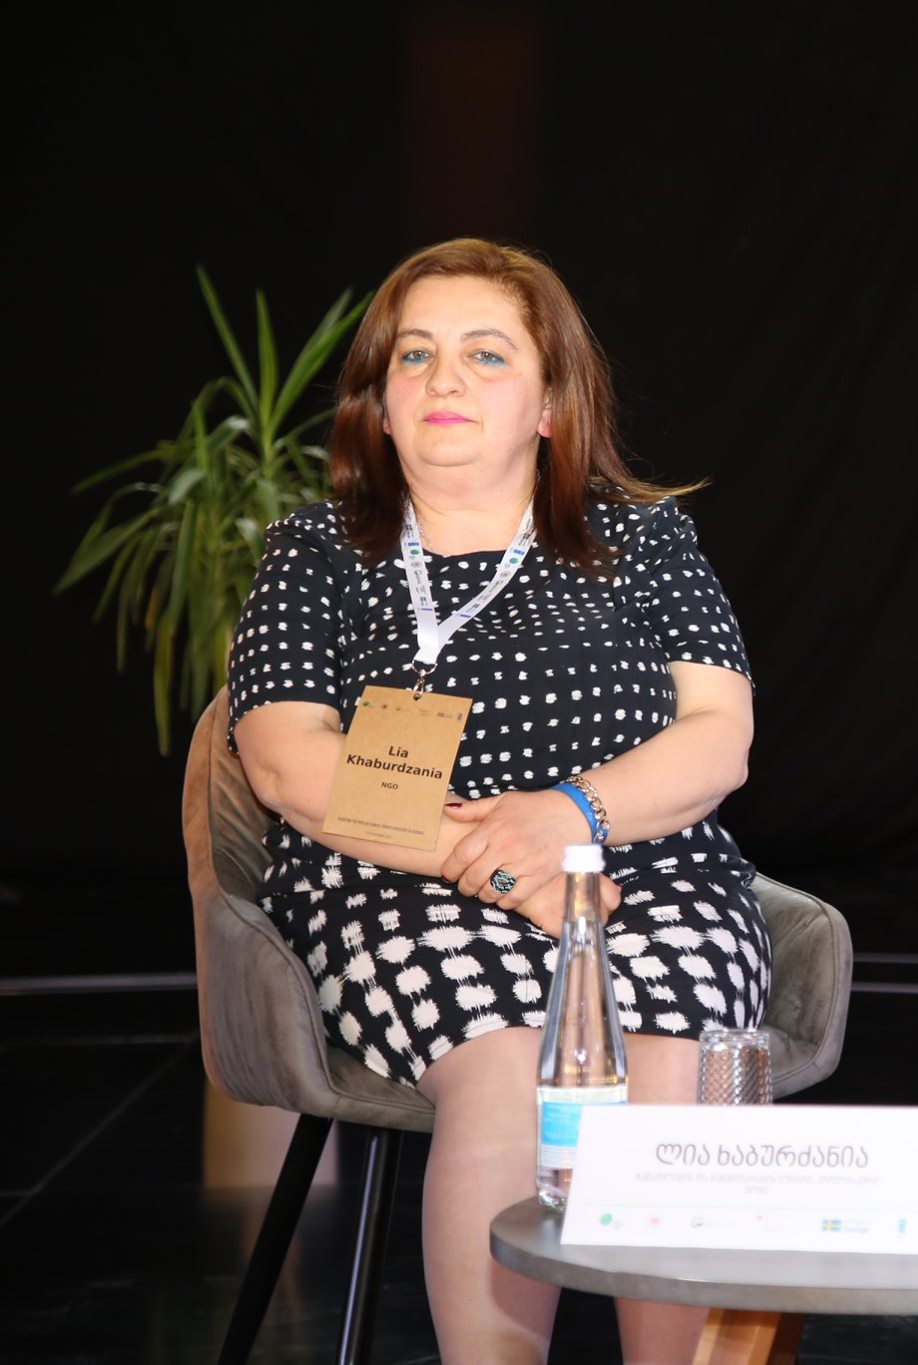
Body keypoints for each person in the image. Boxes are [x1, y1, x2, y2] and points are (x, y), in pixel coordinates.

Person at [227, 238, 765, 1364]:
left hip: (640, 875)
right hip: (394, 884)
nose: (444, 379)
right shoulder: (316, 549)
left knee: (668, 1048)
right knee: (510, 1056)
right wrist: (494, 858)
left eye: (485, 353)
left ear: (553, 404)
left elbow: (720, 735)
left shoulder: (641, 536)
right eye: (414, 356)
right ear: (379, 404)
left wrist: (568, 816)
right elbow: (284, 761)